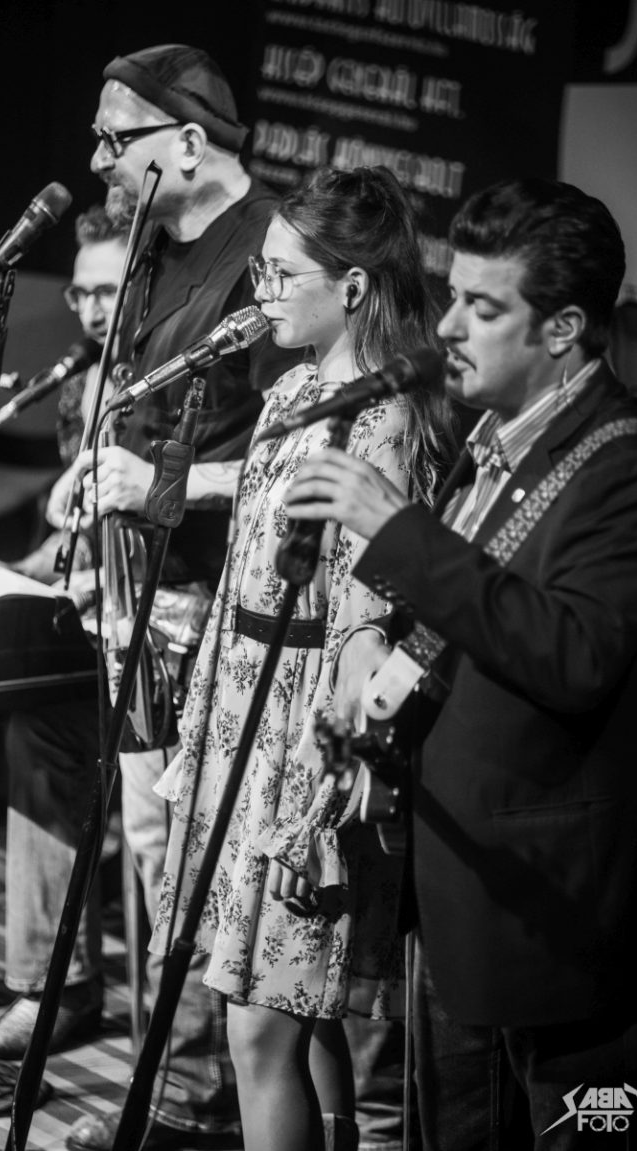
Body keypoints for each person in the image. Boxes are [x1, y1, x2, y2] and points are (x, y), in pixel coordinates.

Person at [283, 176, 637, 1149]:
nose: (449, 327)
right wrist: (375, 646)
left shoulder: (630, 465)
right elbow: (471, 611)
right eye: (453, 295)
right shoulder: (496, 434)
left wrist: (397, 531)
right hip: (466, 889)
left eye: (483, 305)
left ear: (564, 328)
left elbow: (572, 653)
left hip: (561, 928)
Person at [0, 42, 300, 1151]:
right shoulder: (157, 245)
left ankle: (190, 1099)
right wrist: (94, 466)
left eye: (116, 139)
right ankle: (159, 1076)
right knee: (150, 842)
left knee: (190, 854)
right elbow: (139, 406)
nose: (97, 159)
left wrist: (163, 484)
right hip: (138, 596)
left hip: (225, 608)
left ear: (191, 143)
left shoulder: (275, 251)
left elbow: (303, 452)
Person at [148, 163, 456, 1151]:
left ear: (352, 285)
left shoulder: (384, 421)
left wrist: (322, 790)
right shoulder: (289, 390)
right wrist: (201, 719)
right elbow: (247, 562)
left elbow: (370, 615)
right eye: (260, 272)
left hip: (304, 733)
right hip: (243, 716)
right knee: (291, 1006)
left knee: (261, 1021)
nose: (262, 290)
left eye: (282, 274)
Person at [0, 204, 128, 1000]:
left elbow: (140, 542)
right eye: (80, 293)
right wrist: (14, 569)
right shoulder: (79, 380)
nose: (92, 309)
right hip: (70, 605)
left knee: (38, 730)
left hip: (132, 625)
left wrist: (71, 584)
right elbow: (76, 537)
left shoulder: (160, 386)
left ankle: (56, 986)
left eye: (107, 291)